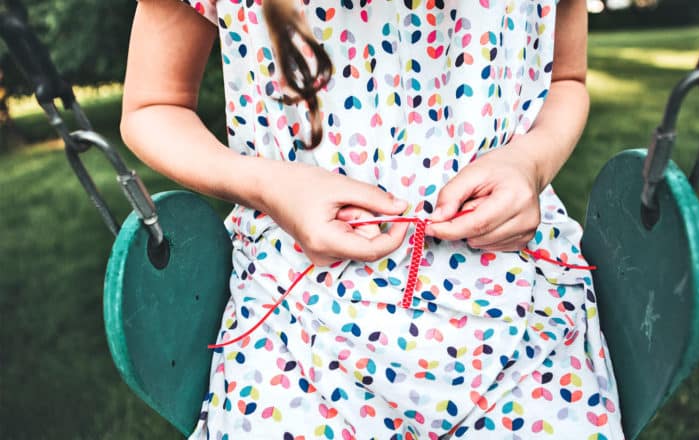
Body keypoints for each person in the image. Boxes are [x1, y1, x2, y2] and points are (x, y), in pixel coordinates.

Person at [121, 0, 624, 438]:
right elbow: (152, 105)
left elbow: (566, 78)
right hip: (296, 323)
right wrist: (272, 186)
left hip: (525, 320)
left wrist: (530, 162)